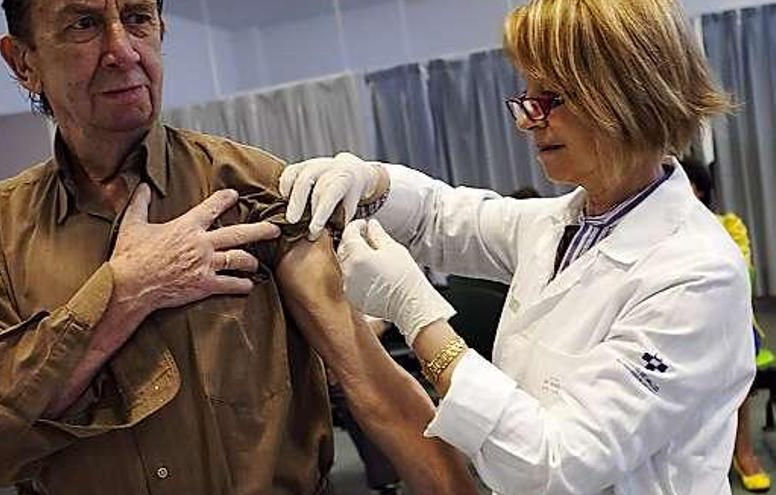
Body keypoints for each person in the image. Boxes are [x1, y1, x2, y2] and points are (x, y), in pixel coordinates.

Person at [0, 1, 477, 494]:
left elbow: (370, 383)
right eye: (84, 24)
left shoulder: (253, 186)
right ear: (23, 61)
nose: (122, 50)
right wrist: (122, 295)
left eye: (139, 18)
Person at [279, 0, 755, 493]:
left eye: (549, 98)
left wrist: (416, 314)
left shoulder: (696, 274)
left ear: (627, 95)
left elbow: (555, 464)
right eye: (526, 97)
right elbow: (439, 216)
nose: (526, 120)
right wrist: (369, 180)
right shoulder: (565, 223)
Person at [683, 158, 772, 493]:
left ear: (701, 189)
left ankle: (744, 452)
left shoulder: (727, 224)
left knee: (737, 360)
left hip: (726, 322)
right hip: (679, 321)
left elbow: (741, 276)